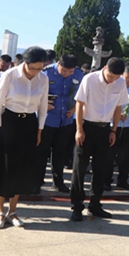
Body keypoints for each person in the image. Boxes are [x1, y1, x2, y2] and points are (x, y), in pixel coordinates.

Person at [0, 46, 49, 228]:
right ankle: (0, 212)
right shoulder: (10, 75)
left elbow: (43, 106)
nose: (36, 72)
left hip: (29, 124)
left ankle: (13, 211)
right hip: (8, 122)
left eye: (40, 68)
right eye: (33, 68)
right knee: (3, 166)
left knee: (21, 167)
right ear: (24, 63)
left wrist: (40, 130)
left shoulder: (43, 78)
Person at [69, 57, 128, 221]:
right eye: (110, 76)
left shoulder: (120, 83)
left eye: (116, 77)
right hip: (86, 127)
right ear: (105, 68)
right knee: (79, 169)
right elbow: (79, 104)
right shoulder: (90, 79)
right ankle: (77, 206)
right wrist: (79, 129)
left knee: (100, 169)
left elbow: (118, 107)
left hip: (105, 130)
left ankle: (95, 204)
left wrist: (114, 130)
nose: (112, 80)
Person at [35, 54, 83, 193]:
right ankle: (37, 182)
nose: (67, 74)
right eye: (64, 71)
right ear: (58, 64)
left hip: (65, 120)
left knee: (60, 152)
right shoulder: (45, 73)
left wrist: (74, 109)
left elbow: (81, 95)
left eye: (70, 71)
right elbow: (34, 93)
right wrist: (43, 105)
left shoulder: (79, 74)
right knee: (41, 152)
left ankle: (58, 182)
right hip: (47, 119)